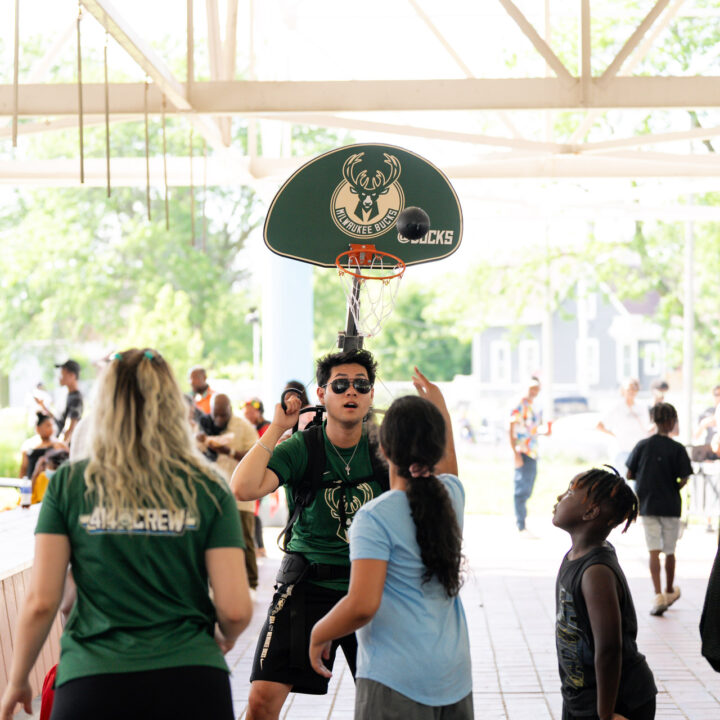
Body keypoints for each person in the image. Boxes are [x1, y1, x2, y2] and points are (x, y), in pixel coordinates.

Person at [0, 348, 252, 720]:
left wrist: (18, 679)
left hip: (93, 680)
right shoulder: (209, 487)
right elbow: (235, 608)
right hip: (192, 680)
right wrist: (223, 636)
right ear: (172, 404)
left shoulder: (69, 485)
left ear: (105, 405)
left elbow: (42, 600)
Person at [231, 348, 388, 720]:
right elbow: (244, 487)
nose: (352, 392)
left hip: (371, 588)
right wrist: (277, 428)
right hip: (306, 585)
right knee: (261, 703)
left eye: (361, 385)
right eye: (341, 385)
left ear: (370, 395)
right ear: (322, 394)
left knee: (388, 707)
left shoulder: (384, 447)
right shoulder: (303, 446)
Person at [309, 368, 473, 719]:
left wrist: (318, 632)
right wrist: (439, 406)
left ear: (383, 446)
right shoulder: (453, 496)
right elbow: (449, 468)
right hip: (454, 674)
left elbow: (362, 605)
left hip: (396, 679)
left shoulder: (374, 517)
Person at [553, 467, 657, 720]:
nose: (559, 498)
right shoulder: (579, 555)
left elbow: (609, 647)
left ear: (590, 512)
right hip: (583, 697)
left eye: (570, 492)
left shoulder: (595, 572)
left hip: (616, 701)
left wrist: (606, 714)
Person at [626, 402, 693, 616]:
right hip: (671, 505)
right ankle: (670, 589)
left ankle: (658, 595)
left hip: (647, 504)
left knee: (653, 550)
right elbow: (684, 477)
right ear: (672, 422)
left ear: (654, 421)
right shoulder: (677, 448)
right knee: (670, 551)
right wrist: (673, 485)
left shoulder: (642, 445)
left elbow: (629, 474)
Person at [199, 393, 260, 592]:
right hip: (213, 493)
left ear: (230, 410)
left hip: (240, 493)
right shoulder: (205, 426)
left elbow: (256, 457)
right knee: (213, 540)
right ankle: (217, 584)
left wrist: (229, 451)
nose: (219, 420)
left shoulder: (244, 427)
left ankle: (251, 584)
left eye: (222, 416)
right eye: (215, 415)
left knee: (244, 539)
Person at [509, 376, 551, 533]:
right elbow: (511, 427)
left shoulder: (535, 406)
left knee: (528, 487)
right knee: (521, 488)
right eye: (532, 388)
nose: (534, 391)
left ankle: (522, 521)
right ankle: (520, 523)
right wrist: (515, 453)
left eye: (537, 388)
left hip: (532, 450)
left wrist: (544, 432)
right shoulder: (520, 404)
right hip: (522, 450)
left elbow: (531, 429)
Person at [596, 378, 648, 471]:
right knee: (622, 480)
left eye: (634, 388)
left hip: (639, 451)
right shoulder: (617, 407)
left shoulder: (642, 406)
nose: (631, 391)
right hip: (622, 451)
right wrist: (616, 435)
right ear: (623, 390)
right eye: (629, 389)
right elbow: (599, 425)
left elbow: (646, 426)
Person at [35, 360, 83, 445]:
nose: (59, 378)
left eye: (62, 375)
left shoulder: (76, 398)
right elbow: (59, 419)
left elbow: (70, 426)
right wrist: (43, 406)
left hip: (67, 446)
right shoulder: (66, 395)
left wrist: (60, 445)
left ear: (72, 376)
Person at [19, 413, 66, 480]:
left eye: (52, 425)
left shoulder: (59, 445)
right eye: (48, 426)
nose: (51, 428)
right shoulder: (29, 444)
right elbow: (24, 467)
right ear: (38, 428)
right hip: (32, 484)